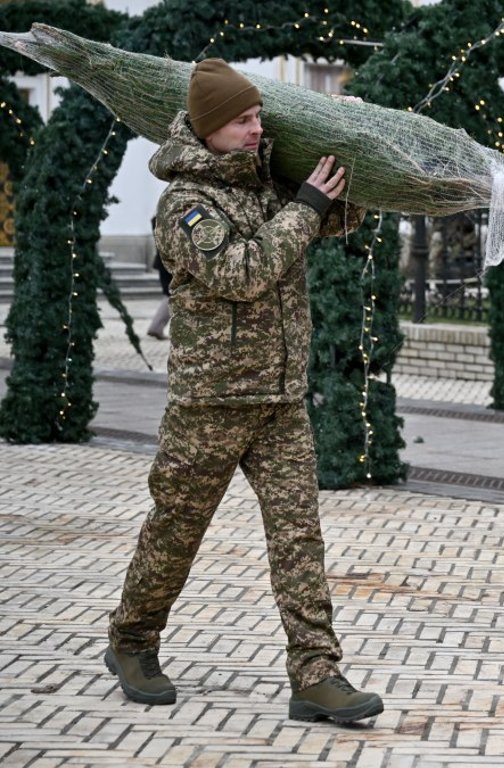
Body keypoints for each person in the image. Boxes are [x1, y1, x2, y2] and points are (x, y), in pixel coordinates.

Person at [104, 58, 382, 724]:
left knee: (299, 539)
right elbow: (245, 269)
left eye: (259, 116)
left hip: (280, 401)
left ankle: (316, 673)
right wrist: (306, 208)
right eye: (244, 119)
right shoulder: (185, 204)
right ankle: (133, 639)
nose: (258, 129)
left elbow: (326, 222)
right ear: (208, 128)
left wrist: (354, 182)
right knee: (176, 532)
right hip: (211, 404)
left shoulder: (264, 183)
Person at [145, 218, 171, 340]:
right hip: (168, 263)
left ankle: (157, 327)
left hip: (163, 262)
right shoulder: (163, 219)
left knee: (169, 293)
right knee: (170, 294)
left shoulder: (156, 219)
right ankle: (156, 327)